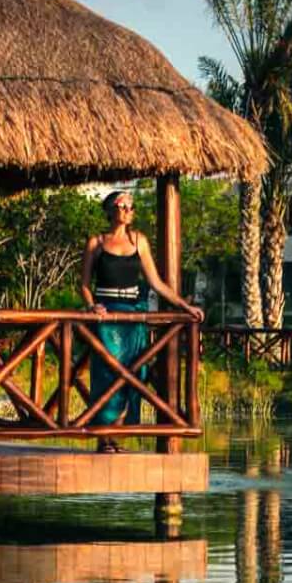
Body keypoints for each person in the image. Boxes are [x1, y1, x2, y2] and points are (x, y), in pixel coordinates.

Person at [79, 189, 202, 454]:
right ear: (110, 209)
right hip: (106, 315)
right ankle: (103, 437)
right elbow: (84, 285)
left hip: (134, 315)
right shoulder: (96, 243)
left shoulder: (139, 241)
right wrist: (92, 306)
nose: (127, 210)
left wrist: (185, 305)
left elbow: (156, 283)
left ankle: (118, 435)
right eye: (122, 205)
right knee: (107, 374)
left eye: (130, 206)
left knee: (134, 373)